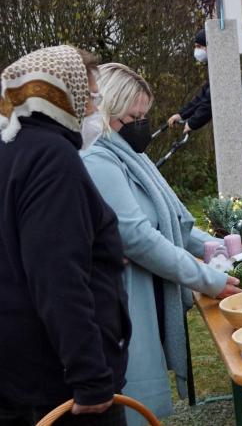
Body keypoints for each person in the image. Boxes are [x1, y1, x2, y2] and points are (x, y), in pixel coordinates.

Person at [81, 63, 242, 425]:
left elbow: (172, 221)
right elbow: (139, 238)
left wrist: (219, 246)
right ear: (107, 111)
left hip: (140, 290)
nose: (142, 124)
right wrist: (207, 278)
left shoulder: (128, 154)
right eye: (133, 116)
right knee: (130, 389)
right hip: (120, 298)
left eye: (144, 115)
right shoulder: (99, 161)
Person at [0, 46, 131, 425]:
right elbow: (58, 277)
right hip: (58, 381)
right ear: (61, 95)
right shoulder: (51, 158)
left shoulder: (12, 149)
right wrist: (89, 376)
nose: (93, 109)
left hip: (18, 371)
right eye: (89, 97)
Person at [168, 30, 242, 218]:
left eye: (199, 46)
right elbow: (203, 96)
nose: (197, 51)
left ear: (209, 47)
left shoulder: (224, 69)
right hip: (241, 131)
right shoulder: (218, 68)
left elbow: (210, 101)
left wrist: (192, 123)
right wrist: (181, 114)